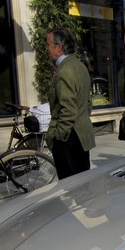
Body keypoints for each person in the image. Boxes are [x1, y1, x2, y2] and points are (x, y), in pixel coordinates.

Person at [45, 27, 95, 179]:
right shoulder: (80, 66)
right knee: (82, 185)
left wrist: (57, 137)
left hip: (69, 139)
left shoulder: (65, 71)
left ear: (58, 47)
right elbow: (87, 103)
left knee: (71, 187)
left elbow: (68, 110)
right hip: (80, 136)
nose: (46, 49)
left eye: (48, 44)